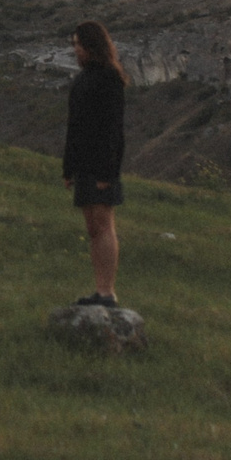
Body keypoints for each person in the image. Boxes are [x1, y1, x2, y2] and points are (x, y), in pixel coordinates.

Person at [62, 19, 127, 308]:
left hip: (100, 165)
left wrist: (107, 173)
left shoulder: (109, 78)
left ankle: (106, 292)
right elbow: (75, 127)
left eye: (78, 44)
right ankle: (100, 290)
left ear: (91, 46)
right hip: (85, 164)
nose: (75, 50)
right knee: (93, 228)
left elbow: (113, 131)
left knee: (103, 226)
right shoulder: (84, 79)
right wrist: (69, 168)